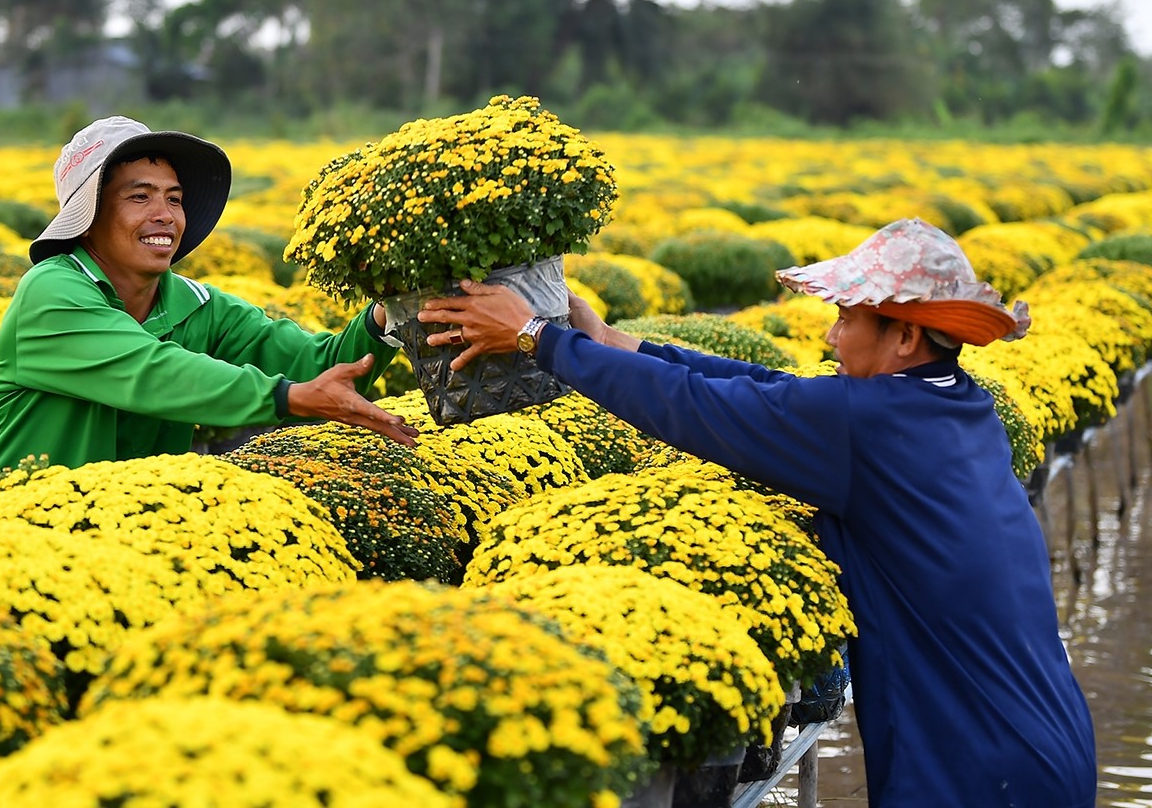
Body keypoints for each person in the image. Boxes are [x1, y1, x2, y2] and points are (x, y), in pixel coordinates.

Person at [419, 218, 1097, 808]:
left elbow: (700, 410)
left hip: (981, 770)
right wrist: (607, 340)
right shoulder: (956, 405)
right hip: (1044, 740)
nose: (831, 335)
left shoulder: (869, 427)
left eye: (847, 319)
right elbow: (768, 390)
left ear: (906, 337)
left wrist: (537, 336)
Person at [0, 116, 412, 519]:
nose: (165, 214)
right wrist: (287, 397)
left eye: (175, 198)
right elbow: (149, 370)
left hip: (103, 547)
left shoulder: (197, 305)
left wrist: (393, 312)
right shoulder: (51, 292)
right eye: (139, 197)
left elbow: (318, 365)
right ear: (89, 217)